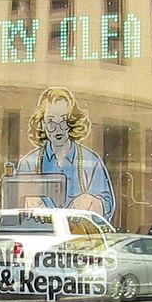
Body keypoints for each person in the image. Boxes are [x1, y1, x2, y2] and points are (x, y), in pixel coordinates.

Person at [13, 86, 114, 220]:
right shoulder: (28, 163)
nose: (58, 129)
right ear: (42, 124)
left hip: (79, 232)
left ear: (72, 122)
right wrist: (24, 201)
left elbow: (108, 205)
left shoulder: (90, 161)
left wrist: (93, 202)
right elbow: (14, 208)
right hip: (42, 232)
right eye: (51, 122)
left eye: (64, 121)